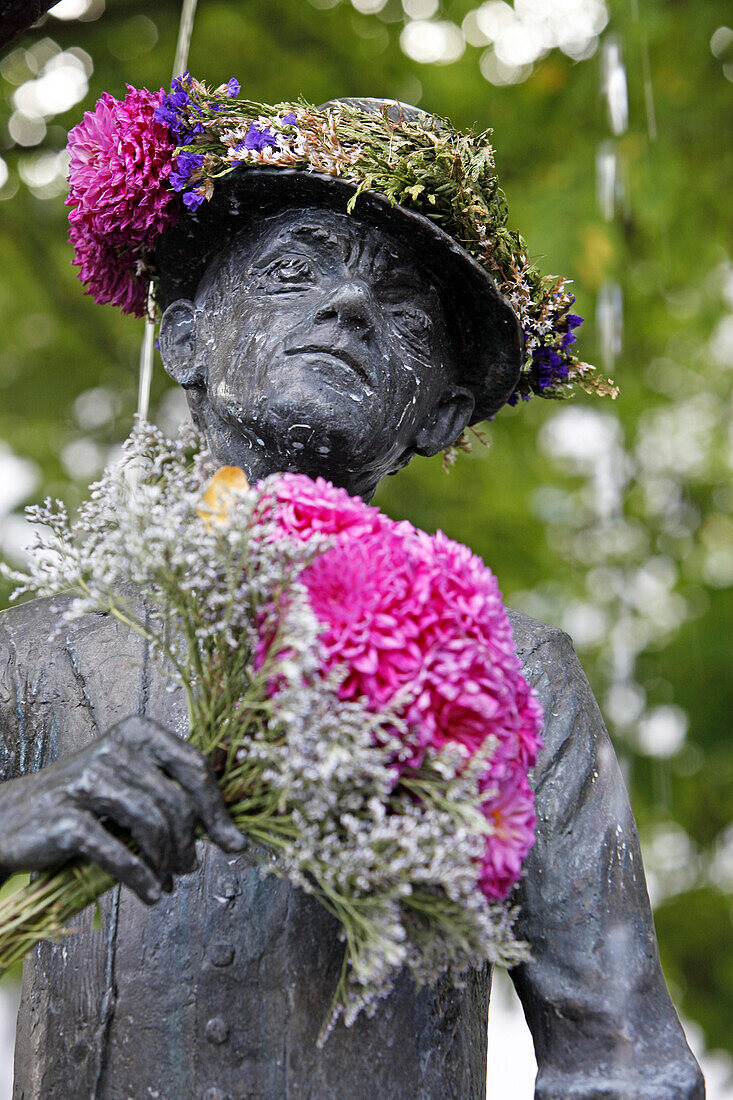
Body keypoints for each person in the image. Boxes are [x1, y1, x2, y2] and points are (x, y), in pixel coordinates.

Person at [0, 96, 704, 1099]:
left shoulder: (505, 669)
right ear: (186, 338)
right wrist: (20, 811)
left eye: (406, 311)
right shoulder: (36, 651)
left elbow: (627, 1062)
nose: (350, 308)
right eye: (296, 269)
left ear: (441, 412)